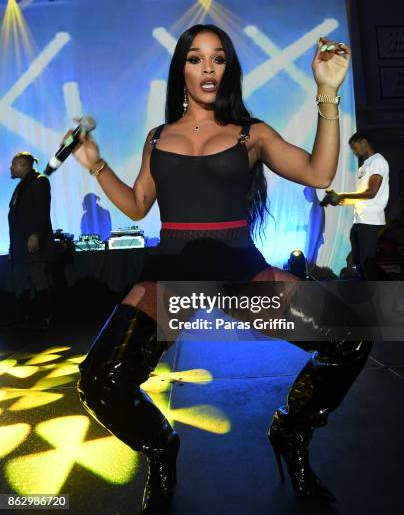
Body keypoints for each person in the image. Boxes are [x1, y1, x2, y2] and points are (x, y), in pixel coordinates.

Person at [71, 25, 371, 512]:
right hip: (170, 274)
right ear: (181, 69)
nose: (207, 68)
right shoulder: (156, 138)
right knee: (100, 379)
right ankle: (162, 449)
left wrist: (327, 94)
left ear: (228, 69)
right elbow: (136, 206)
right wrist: (96, 165)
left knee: (351, 335)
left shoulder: (250, 133)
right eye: (195, 58)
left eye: (218, 58)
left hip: (240, 271)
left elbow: (318, 173)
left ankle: (290, 432)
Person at [324, 131, 389, 279]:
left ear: (364, 142)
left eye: (354, 147)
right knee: (358, 262)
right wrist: (338, 200)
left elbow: (371, 193)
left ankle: (377, 296)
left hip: (370, 221)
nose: (354, 152)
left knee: (367, 262)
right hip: (360, 220)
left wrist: (343, 195)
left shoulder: (378, 162)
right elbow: (361, 196)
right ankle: (368, 294)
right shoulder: (363, 167)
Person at [8, 152, 55, 328]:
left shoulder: (39, 181)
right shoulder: (22, 186)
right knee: (22, 280)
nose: (11, 168)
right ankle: (27, 316)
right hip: (21, 245)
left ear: (22, 164)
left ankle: (46, 317)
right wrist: (13, 247)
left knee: (39, 278)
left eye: (13, 164)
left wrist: (35, 234)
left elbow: (42, 210)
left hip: (35, 244)